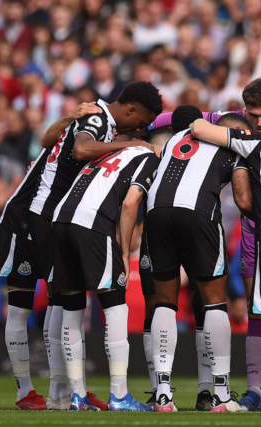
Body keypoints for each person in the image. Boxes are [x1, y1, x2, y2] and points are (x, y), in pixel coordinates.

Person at [145, 107, 251, 413]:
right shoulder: (233, 146)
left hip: (156, 214)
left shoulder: (175, 138)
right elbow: (243, 200)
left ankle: (163, 394)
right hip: (199, 215)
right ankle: (221, 394)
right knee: (214, 302)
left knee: (164, 303)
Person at [0, 102, 102, 410]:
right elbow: (46, 140)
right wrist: (71, 115)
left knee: (62, 298)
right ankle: (25, 391)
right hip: (21, 220)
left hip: (50, 222)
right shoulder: (75, 136)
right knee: (20, 308)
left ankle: (65, 389)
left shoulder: (88, 139)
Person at [51, 140, 161, 412]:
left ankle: (77, 396)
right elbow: (129, 203)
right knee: (115, 307)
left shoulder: (111, 151)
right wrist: (124, 250)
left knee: (72, 309)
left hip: (60, 221)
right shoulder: (149, 156)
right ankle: (119, 396)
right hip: (93, 225)